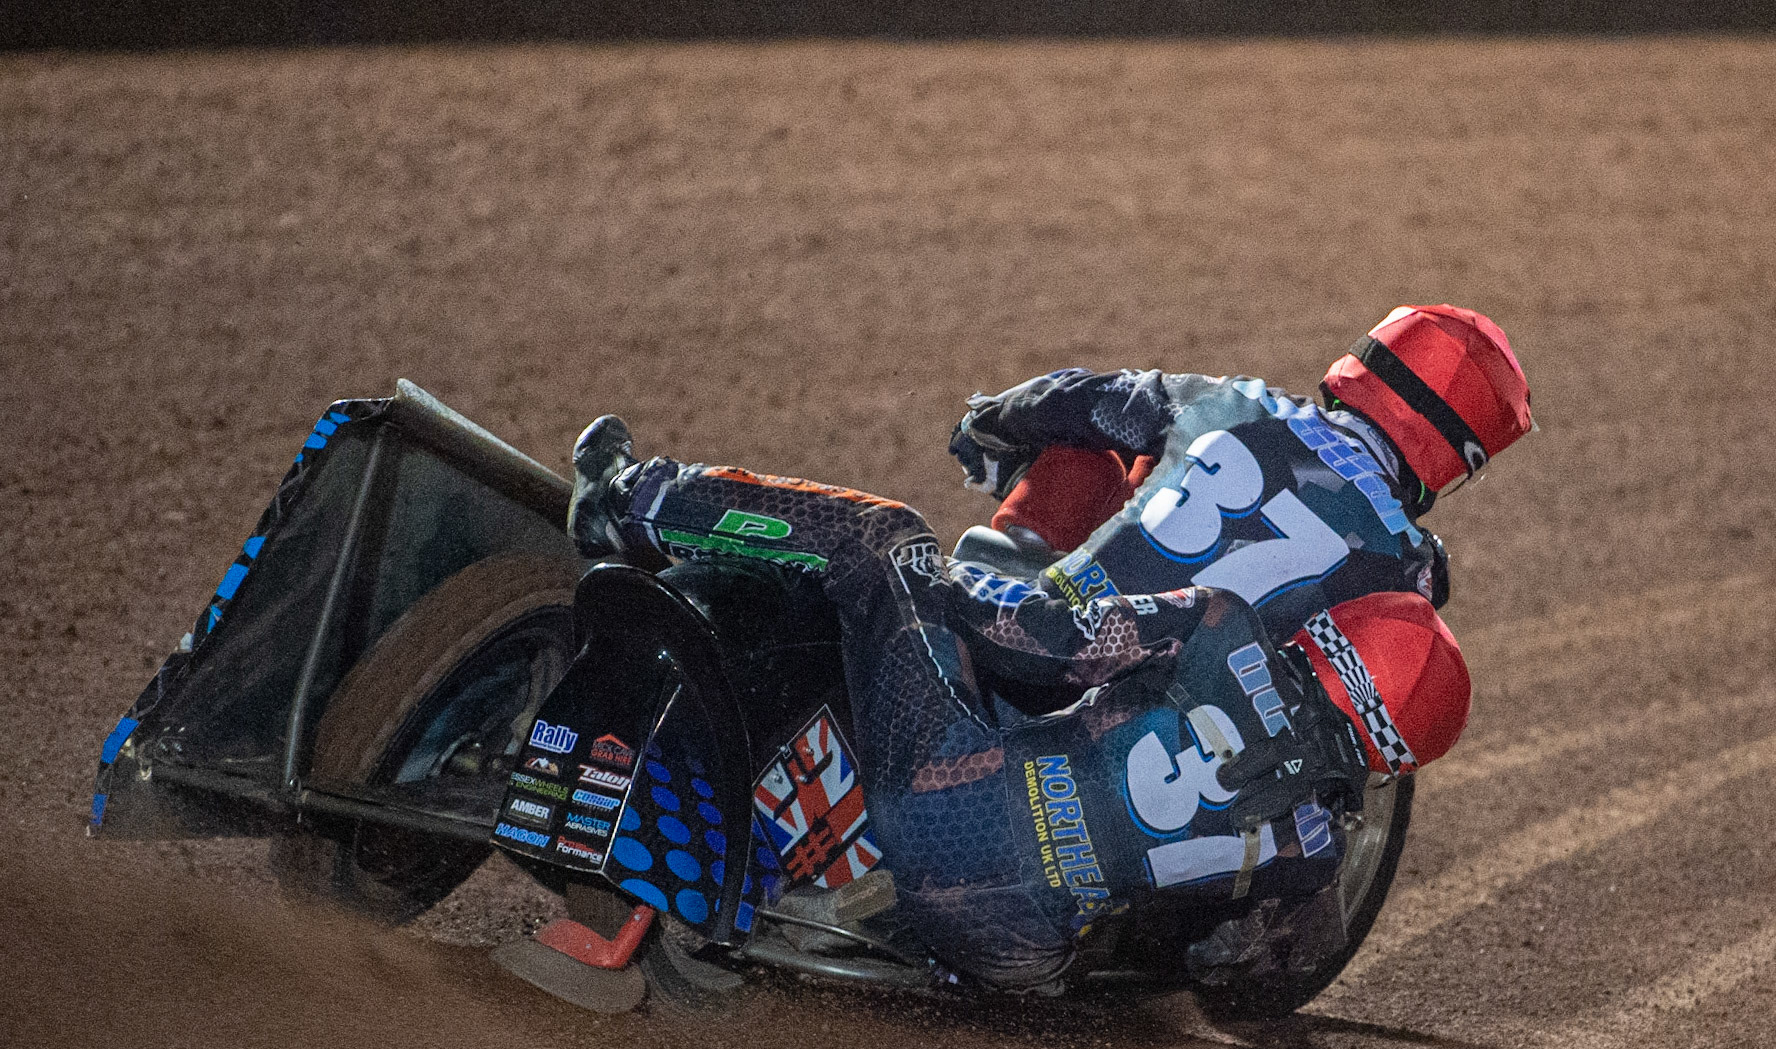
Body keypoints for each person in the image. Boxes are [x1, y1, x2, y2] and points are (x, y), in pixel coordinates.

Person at [569, 416, 1471, 993]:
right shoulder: (1316, 849)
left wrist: (948, 591)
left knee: (885, 540)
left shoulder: (1224, 630)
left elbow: (1030, 639)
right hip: (1020, 957)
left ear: (1342, 637)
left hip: (941, 810)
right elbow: (1223, 967)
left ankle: (627, 500)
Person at [946, 304, 1533, 639]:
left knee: (1102, 454)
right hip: (1154, 726)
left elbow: (1077, 399)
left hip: (1044, 620)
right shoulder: (1407, 564)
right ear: (1454, 456)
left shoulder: (1239, 404)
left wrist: (988, 427)